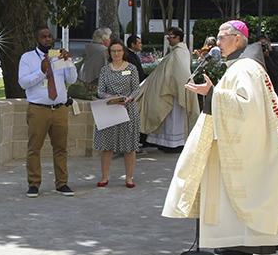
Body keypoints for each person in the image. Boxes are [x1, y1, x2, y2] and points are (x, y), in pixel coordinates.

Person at [162, 20, 278, 255]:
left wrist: (213, 94)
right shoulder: (243, 65)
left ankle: (239, 249)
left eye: (221, 37)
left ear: (237, 39)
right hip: (234, 142)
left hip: (242, 148)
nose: (217, 43)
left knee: (236, 196)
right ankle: (231, 246)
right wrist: (213, 94)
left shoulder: (246, 68)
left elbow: (246, 107)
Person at [18, 26, 77, 198]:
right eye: (43, 37)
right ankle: (34, 184)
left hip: (59, 109)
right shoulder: (27, 58)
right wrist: (41, 71)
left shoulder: (58, 56)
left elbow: (71, 79)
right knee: (34, 148)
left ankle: (62, 183)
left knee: (61, 148)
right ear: (37, 41)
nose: (48, 40)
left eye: (49, 36)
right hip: (38, 110)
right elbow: (23, 83)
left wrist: (70, 63)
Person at [135, 27, 199, 152]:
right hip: (170, 90)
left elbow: (181, 75)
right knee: (169, 119)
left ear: (178, 38)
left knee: (174, 120)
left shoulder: (179, 52)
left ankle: (173, 144)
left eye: (170, 36)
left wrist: (178, 88)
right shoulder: (178, 52)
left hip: (174, 92)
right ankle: (166, 143)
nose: (168, 39)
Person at [94, 41, 141, 188]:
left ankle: (129, 178)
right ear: (109, 53)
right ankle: (105, 177)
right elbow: (100, 91)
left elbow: (136, 89)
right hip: (109, 110)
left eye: (119, 51)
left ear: (123, 52)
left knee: (129, 146)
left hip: (127, 109)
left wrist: (128, 98)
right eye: (113, 51)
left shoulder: (131, 69)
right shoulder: (105, 70)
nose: (116, 54)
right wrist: (109, 97)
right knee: (106, 146)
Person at [78, 27, 112, 92]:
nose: (110, 40)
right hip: (99, 88)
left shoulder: (91, 50)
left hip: (86, 85)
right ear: (105, 39)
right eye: (109, 38)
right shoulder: (104, 52)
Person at [259, 35, 278, 100]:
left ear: (269, 44)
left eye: (264, 44)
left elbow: (275, 71)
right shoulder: (258, 56)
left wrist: (267, 57)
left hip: (274, 87)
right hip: (261, 88)